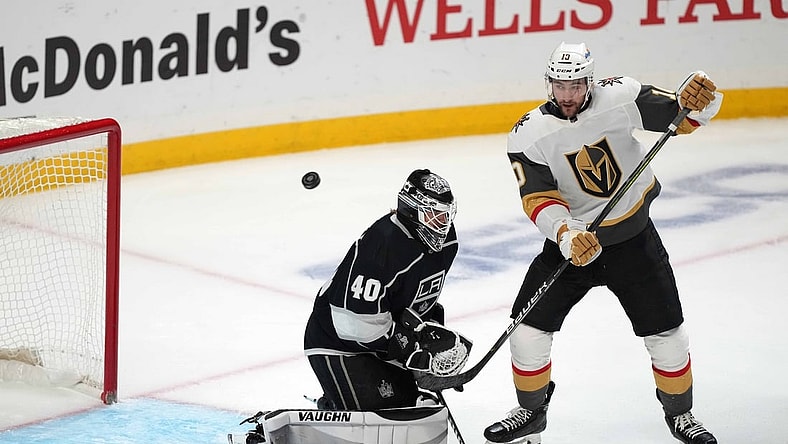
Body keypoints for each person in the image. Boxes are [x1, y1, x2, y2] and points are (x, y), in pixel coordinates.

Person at [483, 42, 722, 444]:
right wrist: (566, 235)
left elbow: (681, 116)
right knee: (526, 328)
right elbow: (538, 199)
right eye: (559, 86)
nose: (567, 95)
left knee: (667, 334)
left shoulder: (621, 95)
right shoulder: (528, 135)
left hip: (634, 242)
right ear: (549, 84)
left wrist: (703, 102)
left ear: (590, 82)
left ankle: (681, 415)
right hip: (577, 248)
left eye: (575, 86)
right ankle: (529, 412)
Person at [304, 168, 472, 411]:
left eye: (445, 215)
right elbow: (353, 324)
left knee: (412, 409)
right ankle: (333, 404)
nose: (442, 225)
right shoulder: (380, 247)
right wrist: (409, 349)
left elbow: (418, 299)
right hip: (337, 344)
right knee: (384, 416)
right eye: (434, 216)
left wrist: (427, 335)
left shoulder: (448, 242)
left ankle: (337, 399)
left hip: (383, 339)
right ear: (412, 210)